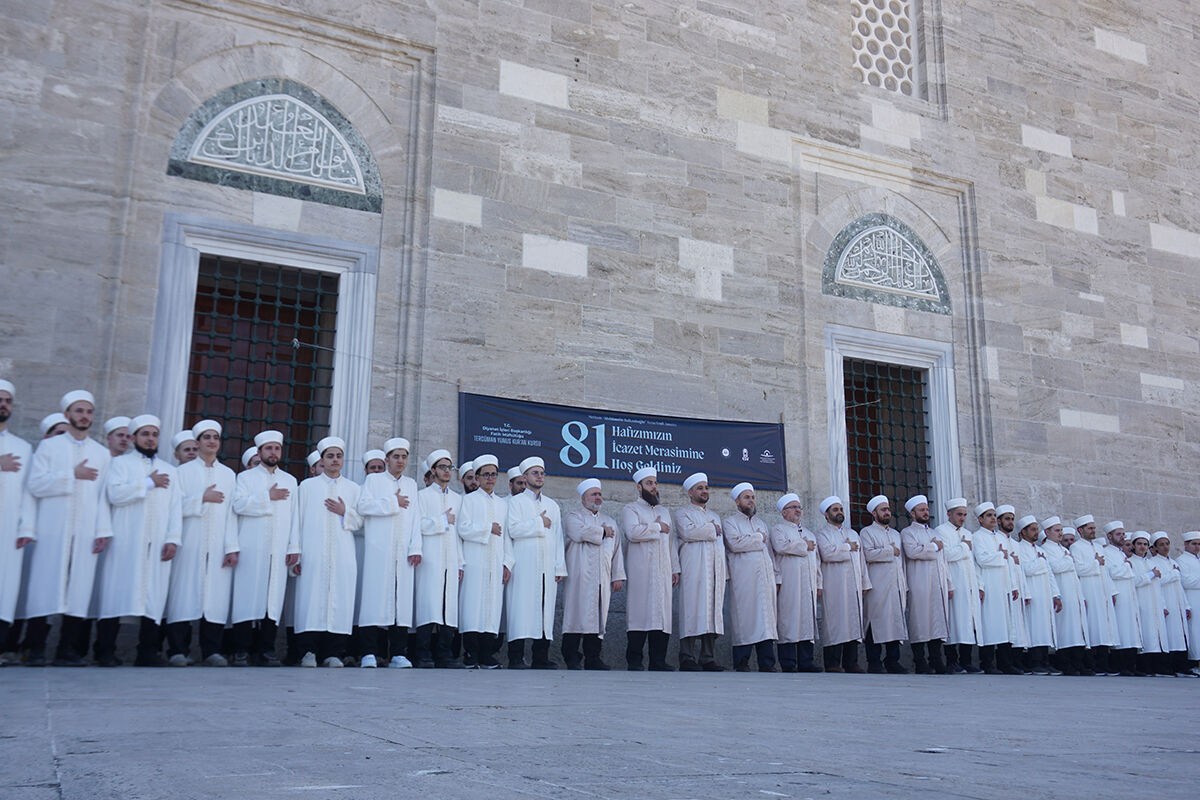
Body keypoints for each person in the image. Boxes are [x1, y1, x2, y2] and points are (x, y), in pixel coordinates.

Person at [24, 390, 112, 666]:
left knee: (79, 588)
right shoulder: (49, 447)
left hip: (86, 531)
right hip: (53, 528)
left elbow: (103, 496)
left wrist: (103, 531)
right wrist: (71, 475)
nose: (84, 416)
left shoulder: (101, 453)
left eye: (88, 412)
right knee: (44, 586)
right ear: (67, 414)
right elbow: (36, 484)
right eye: (79, 411)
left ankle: (67, 650)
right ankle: (35, 649)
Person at [94, 414, 182, 667]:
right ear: (134, 438)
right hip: (126, 541)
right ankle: (105, 651)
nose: (150, 439)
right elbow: (114, 494)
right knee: (116, 594)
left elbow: (175, 508)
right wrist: (148, 483)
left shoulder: (169, 470)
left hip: (158, 544)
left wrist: (172, 539)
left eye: (154, 434)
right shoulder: (119, 464)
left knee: (153, 596)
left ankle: (147, 652)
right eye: (145, 434)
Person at [164, 420, 239, 667]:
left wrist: (231, 547)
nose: (212, 441)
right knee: (183, 593)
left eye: (215, 437)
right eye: (207, 437)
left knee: (215, 596)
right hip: (189, 541)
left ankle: (211, 651)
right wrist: (201, 498)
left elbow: (232, 515)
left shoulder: (228, 475)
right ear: (197, 442)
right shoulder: (181, 473)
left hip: (218, 544)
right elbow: (173, 508)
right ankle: (177, 650)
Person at [287, 436, 363, 668]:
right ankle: (308, 651)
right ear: (322, 460)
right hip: (313, 552)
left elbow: (360, 522)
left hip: (342, 553)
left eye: (338, 456)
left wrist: (345, 511)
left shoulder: (353, 488)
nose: (335, 460)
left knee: (339, 600)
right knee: (311, 600)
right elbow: (296, 520)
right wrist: (295, 551)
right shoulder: (307, 487)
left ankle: (333, 653)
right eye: (330, 456)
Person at [229, 430, 297, 667]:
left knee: (272, 600)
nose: (273, 452)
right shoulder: (245, 478)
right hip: (251, 547)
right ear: (260, 452)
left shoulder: (290, 481)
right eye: (269, 448)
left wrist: (294, 547)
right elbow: (238, 505)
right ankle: (241, 650)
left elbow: (295, 517)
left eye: (277, 448)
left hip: (278, 550)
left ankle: (266, 650)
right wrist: (267, 497)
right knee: (247, 598)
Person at [354, 437, 420, 669]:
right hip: (379, 551)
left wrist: (415, 547)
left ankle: (398, 654)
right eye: (396, 457)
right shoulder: (373, 480)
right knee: (374, 600)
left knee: (401, 602)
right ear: (387, 459)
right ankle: (368, 652)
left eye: (403, 457)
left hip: (403, 552)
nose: (400, 461)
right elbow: (363, 506)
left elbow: (416, 518)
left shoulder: (411, 484)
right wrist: (393, 502)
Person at [504, 456, 567, 669]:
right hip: (523, 564)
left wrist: (559, 566)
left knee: (544, 608)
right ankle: (515, 657)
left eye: (541, 473)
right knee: (520, 608)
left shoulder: (552, 505)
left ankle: (540, 657)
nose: (539, 477)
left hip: (547, 566)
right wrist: (539, 523)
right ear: (524, 477)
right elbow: (513, 530)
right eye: (535, 473)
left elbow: (558, 537)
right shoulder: (515, 502)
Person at [561, 478, 625, 670]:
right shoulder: (573, 517)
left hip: (601, 578)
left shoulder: (610, 521)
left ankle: (593, 658)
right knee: (575, 616)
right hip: (579, 578)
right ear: (583, 498)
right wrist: (602, 532)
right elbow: (579, 533)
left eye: (599, 494)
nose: (597, 498)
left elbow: (617, 551)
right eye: (593, 494)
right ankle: (571, 657)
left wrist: (617, 576)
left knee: (598, 618)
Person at [621, 467, 679, 671]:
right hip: (641, 571)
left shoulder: (664, 511)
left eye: (655, 483)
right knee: (639, 614)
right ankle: (634, 661)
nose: (654, 487)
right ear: (639, 487)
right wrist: (656, 527)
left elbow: (671, 542)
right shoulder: (631, 509)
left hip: (663, 570)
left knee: (662, 615)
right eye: (649, 483)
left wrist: (675, 568)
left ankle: (658, 661)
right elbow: (632, 533)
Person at [456, 454, 510, 669]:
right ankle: (471, 653)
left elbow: (507, 537)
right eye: (485, 474)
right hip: (474, 562)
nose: (490, 478)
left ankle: (487, 655)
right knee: (472, 607)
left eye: (493, 474)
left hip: (495, 563)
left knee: (491, 608)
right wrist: (488, 529)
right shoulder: (468, 501)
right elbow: (463, 528)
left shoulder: (502, 504)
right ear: (477, 477)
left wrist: (507, 563)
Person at [413, 449, 464, 668]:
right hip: (430, 559)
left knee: (448, 607)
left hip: (450, 559)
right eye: (442, 467)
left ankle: (444, 654)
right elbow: (418, 526)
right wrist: (442, 520)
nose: (447, 471)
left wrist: (460, 562)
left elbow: (458, 534)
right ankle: (422, 653)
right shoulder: (421, 497)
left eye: (449, 467)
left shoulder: (457, 499)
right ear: (433, 470)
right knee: (428, 605)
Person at [672, 472, 727, 672]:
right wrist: (711, 530)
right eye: (700, 488)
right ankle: (687, 657)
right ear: (690, 492)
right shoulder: (682, 513)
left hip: (715, 570)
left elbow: (720, 544)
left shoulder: (715, 516)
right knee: (692, 609)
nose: (704, 491)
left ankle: (707, 657)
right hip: (694, 568)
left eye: (706, 488)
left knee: (711, 613)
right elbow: (688, 533)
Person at [722, 483, 777, 672]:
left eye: (752, 497)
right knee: (745, 618)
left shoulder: (761, 524)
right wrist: (757, 538)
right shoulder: (730, 522)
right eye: (746, 497)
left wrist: (775, 576)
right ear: (737, 502)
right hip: (744, 578)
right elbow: (735, 544)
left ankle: (767, 662)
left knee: (766, 619)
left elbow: (768, 551)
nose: (751, 501)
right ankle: (742, 661)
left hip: (765, 577)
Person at [815, 496, 870, 673]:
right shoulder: (822, 534)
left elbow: (861, 560)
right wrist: (846, 548)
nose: (839, 512)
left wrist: (864, 582)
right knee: (835, 623)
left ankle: (851, 662)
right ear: (827, 514)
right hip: (834, 586)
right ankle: (832, 663)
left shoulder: (853, 534)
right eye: (835, 510)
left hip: (854, 585)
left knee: (853, 622)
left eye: (841, 509)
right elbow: (827, 554)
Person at [0, 381, 35, 654]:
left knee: (5, 587)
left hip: (9, 530)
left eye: (8, 401)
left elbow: (28, 491)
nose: (3, 405)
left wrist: (26, 528)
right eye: (0, 400)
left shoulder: (22, 447)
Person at [771, 493, 821, 673]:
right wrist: (803, 545)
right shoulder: (778, 529)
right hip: (789, 582)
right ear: (784, 512)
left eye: (799, 507)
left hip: (808, 583)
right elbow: (781, 547)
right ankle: (788, 662)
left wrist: (819, 583)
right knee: (789, 620)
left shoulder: (809, 534)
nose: (797, 510)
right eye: (793, 507)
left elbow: (817, 561)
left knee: (807, 621)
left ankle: (806, 662)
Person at [900, 494, 950, 674]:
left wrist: (949, 584)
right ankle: (920, 661)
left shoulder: (934, 533)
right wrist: (933, 547)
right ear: (912, 513)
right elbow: (912, 552)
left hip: (937, 583)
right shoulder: (907, 533)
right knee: (920, 622)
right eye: (921, 510)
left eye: (927, 509)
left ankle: (936, 660)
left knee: (937, 622)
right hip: (918, 583)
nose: (925, 512)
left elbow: (943, 561)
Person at [858, 495, 907, 674]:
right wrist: (889, 551)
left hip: (896, 585)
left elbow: (901, 562)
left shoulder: (895, 534)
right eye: (883, 510)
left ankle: (893, 661)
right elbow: (868, 554)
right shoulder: (867, 532)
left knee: (894, 622)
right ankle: (874, 661)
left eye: (888, 509)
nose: (887, 512)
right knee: (875, 622)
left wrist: (904, 585)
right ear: (874, 513)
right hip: (877, 585)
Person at [937, 497, 981, 673]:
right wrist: (963, 547)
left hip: (969, 584)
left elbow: (973, 562)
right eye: (959, 514)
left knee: (967, 623)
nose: (962, 518)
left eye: (964, 515)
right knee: (953, 622)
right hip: (953, 583)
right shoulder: (940, 531)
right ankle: (951, 661)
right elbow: (945, 555)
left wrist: (979, 585)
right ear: (949, 514)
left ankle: (966, 661)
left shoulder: (968, 534)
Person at [1071, 514, 1119, 675]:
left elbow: (1105, 572)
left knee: (1104, 627)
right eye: (1090, 528)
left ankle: (1103, 663)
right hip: (1088, 590)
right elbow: (1078, 570)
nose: (1093, 531)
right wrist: (1096, 563)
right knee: (1092, 626)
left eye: (1094, 528)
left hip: (1102, 591)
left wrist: (1112, 591)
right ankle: (1092, 664)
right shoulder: (1076, 547)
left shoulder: (1099, 548)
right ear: (1080, 530)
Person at [972, 502, 1017, 674]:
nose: (992, 518)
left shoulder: (1000, 538)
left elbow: (1009, 564)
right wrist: (1000, 555)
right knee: (989, 624)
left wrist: (1013, 586)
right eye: (989, 515)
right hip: (989, 586)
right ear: (980, 519)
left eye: (994, 515)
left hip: (1003, 585)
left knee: (1005, 625)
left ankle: (1006, 663)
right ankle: (987, 663)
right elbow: (982, 560)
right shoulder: (977, 537)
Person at [1041, 518, 1090, 675]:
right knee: (1065, 630)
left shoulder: (1063, 550)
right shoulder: (1045, 549)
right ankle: (1066, 663)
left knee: (1076, 630)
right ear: (1047, 532)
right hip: (1062, 593)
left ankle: (1078, 663)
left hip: (1073, 594)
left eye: (1061, 530)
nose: (1060, 533)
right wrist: (1069, 560)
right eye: (1057, 530)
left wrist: (1081, 596)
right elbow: (1055, 567)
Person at [1017, 518, 1061, 675]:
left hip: (1045, 594)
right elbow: (1025, 570)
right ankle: (1034, 662)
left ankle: (1044, 661)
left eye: (1037, 529)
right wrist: (1040, 563)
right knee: (1034, 628)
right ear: (1023, 532)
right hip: (1032, 593)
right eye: (1033, 529)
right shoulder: (1019, 548)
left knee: (1044, 628)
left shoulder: (1040, 550)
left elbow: (1050, 574)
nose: (1036, 532)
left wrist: (1056, 595)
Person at [1101, 520, 1142, 676]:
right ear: (1109, 536)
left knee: (1130, 630)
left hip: (1129, 596)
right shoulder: (1106, 552)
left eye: (1123, 534)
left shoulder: (1121, 553)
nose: (1122, 537)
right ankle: (1121, 665)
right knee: (1122, 630)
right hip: (1118, 595)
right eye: (1118, 534)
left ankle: (1131, 666)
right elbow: (1112, 572)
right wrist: (1126, 567)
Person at [1150, 532, 1192, 677]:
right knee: (1169, 636)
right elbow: (1158, 582)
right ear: (1155, 547)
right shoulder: (1153, 562)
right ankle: (1167, 666)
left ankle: (1182, 667)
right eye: (1161, 544)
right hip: (1166, 604)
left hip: (1178, 603)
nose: (1165, 547)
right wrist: (1162, 606)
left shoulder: (1173, 563)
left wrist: (1186, 605)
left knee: (1180, 636)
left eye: (1167, 544)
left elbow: (1179, 586)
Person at [1129, 531, 1167, 675]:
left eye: (1145, 544)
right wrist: (1150, 575)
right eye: (1139, 544)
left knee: (1156, 634)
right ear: (1133, 545)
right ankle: (1143, 666)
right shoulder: (1130, 562)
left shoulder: (1152, 563)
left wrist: (1163, 605)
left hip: (1155, 604)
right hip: (1142, 603)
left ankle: (1157, 666)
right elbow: (1134, 581)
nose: (1142, 547)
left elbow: (1159, 587)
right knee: (1145, 633)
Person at [1176, 531, 1200, 676]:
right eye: (1194, 544)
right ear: (1186, 544)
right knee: (1193, 633)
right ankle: (1193, 663)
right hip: (1191, 600)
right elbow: (1185, 581)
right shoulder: (1181, 561)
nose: (1197, 547)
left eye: (1199, 544)